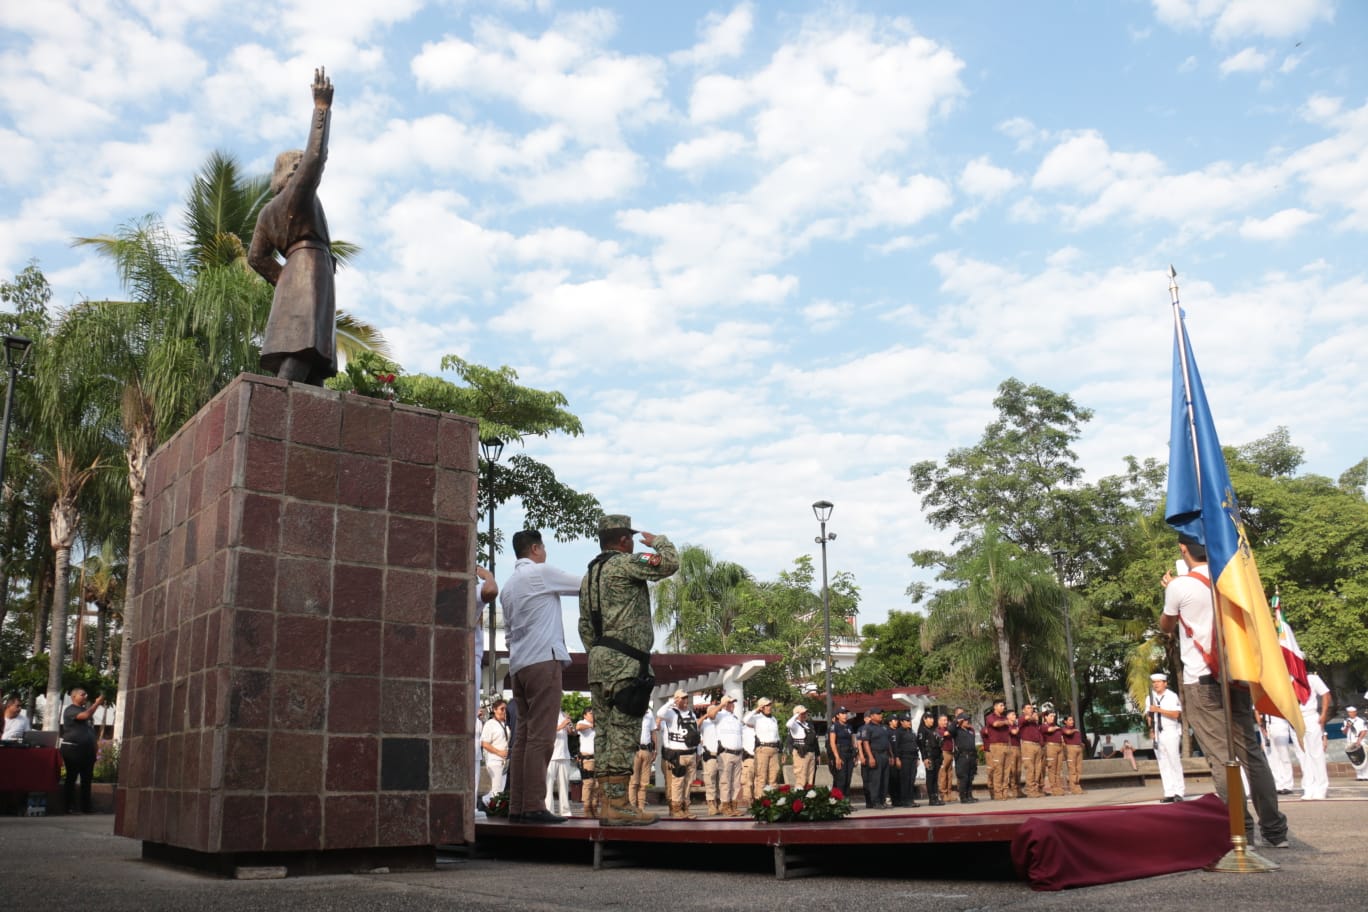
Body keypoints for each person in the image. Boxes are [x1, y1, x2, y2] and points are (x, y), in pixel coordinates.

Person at [1160, 533, 1289, 848]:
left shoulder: (1180, 585)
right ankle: (1275, 831)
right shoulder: (1231, 579)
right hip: (1237, 676)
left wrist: (1169, 588)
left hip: (1201, 680)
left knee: (1220, 758)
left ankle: (1241, 833)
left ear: (1183, 549)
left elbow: (1166, 625)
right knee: (1252, 756)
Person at [578, 514, 679, 826]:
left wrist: (601, 654)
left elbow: (584, 626)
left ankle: (609, 802)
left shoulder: (589, 575)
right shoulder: (625, 563)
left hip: (598, 662)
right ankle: (620, 805)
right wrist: (659, 542)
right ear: (623, 541)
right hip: (626, 663)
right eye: (632, 539)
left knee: (605, 734)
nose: (634, 543)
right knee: (623, 732)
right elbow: (668, 564)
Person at [248, 68, 339, 385]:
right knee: (303, 349)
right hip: (310, 268)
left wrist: (285, 278)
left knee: (312, 363)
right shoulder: (295, 198)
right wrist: (321, 109)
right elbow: (315, 157)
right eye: (301, 169)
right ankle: (272, 411)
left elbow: (256, 257)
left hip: (298, 273)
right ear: (294, 172)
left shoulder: (267, 212)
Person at [500, 529, 581, 824]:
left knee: (522, 738)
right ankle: (534, 804)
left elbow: (508, 633)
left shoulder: (508, 586)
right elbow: (584, 585)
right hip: (542, 661)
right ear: (535, 548)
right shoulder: (541, 572)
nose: (545, 553)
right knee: (541, 737)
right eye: (543, 547)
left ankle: (518, 806)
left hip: (519, 665)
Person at [472, 566, 498, 819]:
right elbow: (490, 590)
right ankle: (467, 805)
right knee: (470, 741)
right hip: (467, 666)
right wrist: (486, 574)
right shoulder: (467, 591)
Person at [60, 688, 103, 814]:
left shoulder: (85, 710)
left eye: (86, 694)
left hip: (87, 751)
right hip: (73, 749)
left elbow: (90, 730)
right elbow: (85, 716)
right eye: (82, 694)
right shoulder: (70, 710)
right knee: (71, 778)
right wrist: (97, 703)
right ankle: (68, 807)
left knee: (87, 779)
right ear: (74, 696)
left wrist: (95, 747)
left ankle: (86, 807)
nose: (85, 696)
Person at [658, 689, 699, 819]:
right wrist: (671, 702)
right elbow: (660, 713)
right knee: (677, 783)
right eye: (681, 698)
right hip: (678, 754)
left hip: (691, 753)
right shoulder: (671, 714)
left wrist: (698, 752)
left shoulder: (692, 714)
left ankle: (685, 808)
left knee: (688, 783)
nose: (684, 700)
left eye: (686, 698)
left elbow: (696, 733)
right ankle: (676, 809)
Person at [1290, 671, 1331, 800]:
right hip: (1294, 718)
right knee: (1302, 755)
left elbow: (1325, 694)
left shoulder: (1311, 677)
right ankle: (1308, 787)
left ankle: (1321, 787)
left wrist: (1324, 713)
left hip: (1310, 716)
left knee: (1316, 754)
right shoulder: (1285, 679)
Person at [1147, 672, 1186, 802]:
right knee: (1163, 763)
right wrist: (1151, 728)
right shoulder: (1150, 697)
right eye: (1154, 682)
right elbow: (1149, 715)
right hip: (1157, 733)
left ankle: (1179, 792)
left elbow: (1176, 714)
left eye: (1158, 682)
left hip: (1170, 731)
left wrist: (1159, 710)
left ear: (1165, 683)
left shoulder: (1171, 696)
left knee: (1174, 761)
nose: (1156, 684)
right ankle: (1169, 792)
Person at [714, 695, 746, 816]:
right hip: (726, 753)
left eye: (732, 703)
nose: (732, 705)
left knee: (736, 783)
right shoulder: (719, 715)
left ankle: (733, 806)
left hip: (737, 753)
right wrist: (721, 705)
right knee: (725, 782)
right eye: (730, 703)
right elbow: (711, 715)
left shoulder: (735, 718)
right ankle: (725, 806)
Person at [745, 697, 781, 798]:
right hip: (762, 749)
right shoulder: (756, 718)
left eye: (770, 705)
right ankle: (760, 802)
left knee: (773, 777)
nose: (769, 707)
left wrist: (781, 750)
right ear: (761, 707)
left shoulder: (773, 719)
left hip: (774, 749)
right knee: (761, 777)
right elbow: (745, 720)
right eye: (766, 705)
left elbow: (777, 735)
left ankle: (773, 801)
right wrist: (756, 710)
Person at [857, 707, 893, 809]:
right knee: (875, 780)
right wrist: (870, 757)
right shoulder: (867, 728)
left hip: (884, 754)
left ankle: (882, 800)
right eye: (878, 714)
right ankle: (875, 801)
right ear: (872, 716)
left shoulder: (884, 727)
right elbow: (865, 743)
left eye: (881, 714)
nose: (880, 715)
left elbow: (888, 742)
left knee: (884, 779)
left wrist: (891, 756)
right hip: (875, 754)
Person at [480, 699, 511, 808]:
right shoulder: (490, 724)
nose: (504, 711)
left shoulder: (507, 724)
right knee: (497, 788)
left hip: (505, 761)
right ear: (494, 710)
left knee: (500, 788)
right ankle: (485, 803)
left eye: (506, 709)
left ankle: (491, 806)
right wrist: (499, 752)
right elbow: (484, 743)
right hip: (494, 760)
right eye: (502, 709)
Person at [1258, 710, 1296, 794]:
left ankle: (1287, 785)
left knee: (1284, 755)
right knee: (1272, 758)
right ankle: (1277, 784)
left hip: (1280, 722)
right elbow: (1257, 710)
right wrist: (1261, 726)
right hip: (1266, 724)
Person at [546, 710, 574, 817]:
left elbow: (571, 732)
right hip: (551, 755)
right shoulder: (547, 713)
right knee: (548, 785)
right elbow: (547, 731)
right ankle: (549, 810)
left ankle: (565, 811)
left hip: (564, 754)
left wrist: (569, 725)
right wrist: (562, 725)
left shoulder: (563, 714)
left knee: (564, 785)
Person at [628, 708, 657, 812]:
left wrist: (655, 749)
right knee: (633, 782)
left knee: (644, 783)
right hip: (634, 751)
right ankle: (632, 807)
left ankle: (641, 808)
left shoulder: (650, 714)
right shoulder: (631, 713)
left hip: (647, 750)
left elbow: (653, 732)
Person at [982, 699, 1010, 800]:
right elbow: (995, 724)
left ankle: (1005, 792)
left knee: (1006, 770)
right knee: (998, 770)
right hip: (996, 746)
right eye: (1001, 705)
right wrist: (1006, 722)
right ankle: (997, 793)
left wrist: (1006, 721)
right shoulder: (990, 717)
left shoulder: (1004, 718)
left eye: (1003, 706)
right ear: (995, 707)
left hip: (1006, 745)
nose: (1003, 707)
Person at [787, 704, 819, 790]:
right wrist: (797, 715)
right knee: (801, 777)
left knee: (810, 778)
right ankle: (799, 798)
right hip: (801, 753)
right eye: (802, 713)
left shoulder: (808, 724)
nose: (805, 715)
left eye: (805, 713)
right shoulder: (795, 725)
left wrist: (818, 754)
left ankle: (809, 797)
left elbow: (815, 740)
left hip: (811, 752)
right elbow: (788, 724)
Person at [892, 713, 920, 807]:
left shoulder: (911, 731)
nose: (909, 722)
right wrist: (897, 758)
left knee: (911, 779)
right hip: (904, 758)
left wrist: (917, 758)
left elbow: (915, 745)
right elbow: (896, 747)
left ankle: (911, 799)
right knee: (905, 780)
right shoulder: (898, 732)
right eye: (907, 721)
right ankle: (905, 800)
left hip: (913, 757)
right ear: (902, 722)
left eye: (910, 720)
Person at [916, 712, 945, 806]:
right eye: (929, 718)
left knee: (935, 777)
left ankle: (936, 797)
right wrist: (925, 758)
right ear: (924, 719)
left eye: (933, 718)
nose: (932, 720)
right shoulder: (922, 730)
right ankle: (932, 799)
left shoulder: (933, 729)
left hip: (937, 755)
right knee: (930, 777)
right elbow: (921, 745)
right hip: (929, 756)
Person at [699, 699, 723, 815]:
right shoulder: (705, 723)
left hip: (722, 756)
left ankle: (719, 804)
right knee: (710, 782)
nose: (716, 713)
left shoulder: (720, 722)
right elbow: (695, 725)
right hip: (710, 756)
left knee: (721, 782)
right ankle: (711, 805)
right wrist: (705, 716)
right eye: (713, 711)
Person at [827, 706, 856, 795]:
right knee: (841, 779)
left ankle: (847, 802)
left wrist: (855, 755)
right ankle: (840, 802)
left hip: (849, 754)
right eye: (842, 713)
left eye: (845, 713)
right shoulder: (835, 726)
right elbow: (832, 743)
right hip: (841, 753)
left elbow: (853, 741)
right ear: (837, 715)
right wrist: (837, 757)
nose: (845, 715)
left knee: (848, 779)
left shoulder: (849, 726)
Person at [951, 712, 979, 803]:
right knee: (964, 777)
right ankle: (963, 797)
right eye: (965, 720)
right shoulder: (957, 730)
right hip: (962, 756)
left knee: (970, 777)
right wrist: (956, 721)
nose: (967, 721)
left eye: (968, 720)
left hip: (971, 756)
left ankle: (969, 795)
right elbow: (950, 729)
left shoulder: (970, 731)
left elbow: (973, 745)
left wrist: (976, 756)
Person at [1017, 704, 1044, 798]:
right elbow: (1028, 718)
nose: (1031, 709)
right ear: (1023, 710)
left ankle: (1035, 789)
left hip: (1037, 745)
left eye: (1031, 708)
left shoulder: (1034, 722)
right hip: (1028, 745)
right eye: (1028, 708)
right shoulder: (1022, 719)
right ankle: (1030, 789)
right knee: (1030, 768)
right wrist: (1034, 717)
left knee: (1038, 769)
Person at [575, 709, 598, 817]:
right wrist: (591, 725)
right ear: (585, 715)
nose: (593, 715)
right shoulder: (582, 722)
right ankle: (587, 808)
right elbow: (578, 728)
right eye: (590, 713)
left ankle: (594, 807)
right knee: (588, 783)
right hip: (587, 758)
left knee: (597, 784)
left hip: (597, 758)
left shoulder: (596, 725)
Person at [1061, 714, 1086, 795]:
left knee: (1078, 769)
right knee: (1072, 769)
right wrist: (1075, 731)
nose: (1072, 721)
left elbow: (1077, 738)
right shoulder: (1064, 728)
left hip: (1078, 748)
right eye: (1070, 720)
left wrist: (1081, 744)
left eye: (1072, 720)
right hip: (1070, 749)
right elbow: (1068, 733)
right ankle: (1073, 788)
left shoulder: (1075, 729)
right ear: (1065, 721)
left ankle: (1078, 786)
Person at [1041, 710, 1064, 796]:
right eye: (1050, 716)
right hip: (1050, 747)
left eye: (1053, 716)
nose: (1052, 718)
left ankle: (1059, 787)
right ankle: (1054, 787)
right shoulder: (1044, 726)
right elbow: (1049, 730)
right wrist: (1057, 728)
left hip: (1059, 746)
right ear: (1046, 717)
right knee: (1052, 768)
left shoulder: (1056, 726)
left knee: (1058, 769)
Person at [1343, 706, 1368, 781]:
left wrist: (1359, 740)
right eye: (1349, 712)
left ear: (1355, 712)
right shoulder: (1346, 721)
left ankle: (1366, 775)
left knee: (1363, 758)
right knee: (1355, 759)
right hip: (1350, 742)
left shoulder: (1360, 720)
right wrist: (1347, 727)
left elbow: (1364, 731)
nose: (1350, 714)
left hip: (1359, 740)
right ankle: (1359, 776)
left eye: (1351, 712)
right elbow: (1344, 732)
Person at [937, 714, 957, 802]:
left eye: (946, 720)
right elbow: (946, 734)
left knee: (950, 774)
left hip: (950, 752)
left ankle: (949, 793)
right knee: (943, 774)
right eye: (944, 720)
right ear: (939, 721)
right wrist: (954, 723)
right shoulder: (938, 730)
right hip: (943, 752)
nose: (946, 722)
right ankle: (943, 794)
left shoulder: (948, 729)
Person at [1005, 710, 1022, 798]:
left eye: (1015, 714)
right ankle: (1012, 789)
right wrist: (1019, 726)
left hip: (1018, 747)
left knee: (1018, 770)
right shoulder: (1007, 725)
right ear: (1008, 716)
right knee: (1012, 770)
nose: (1015, 716)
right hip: (1011, 748)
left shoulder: (1015, 725)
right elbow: (1014, 732)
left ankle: (1018, 789)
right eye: (1013, 714)